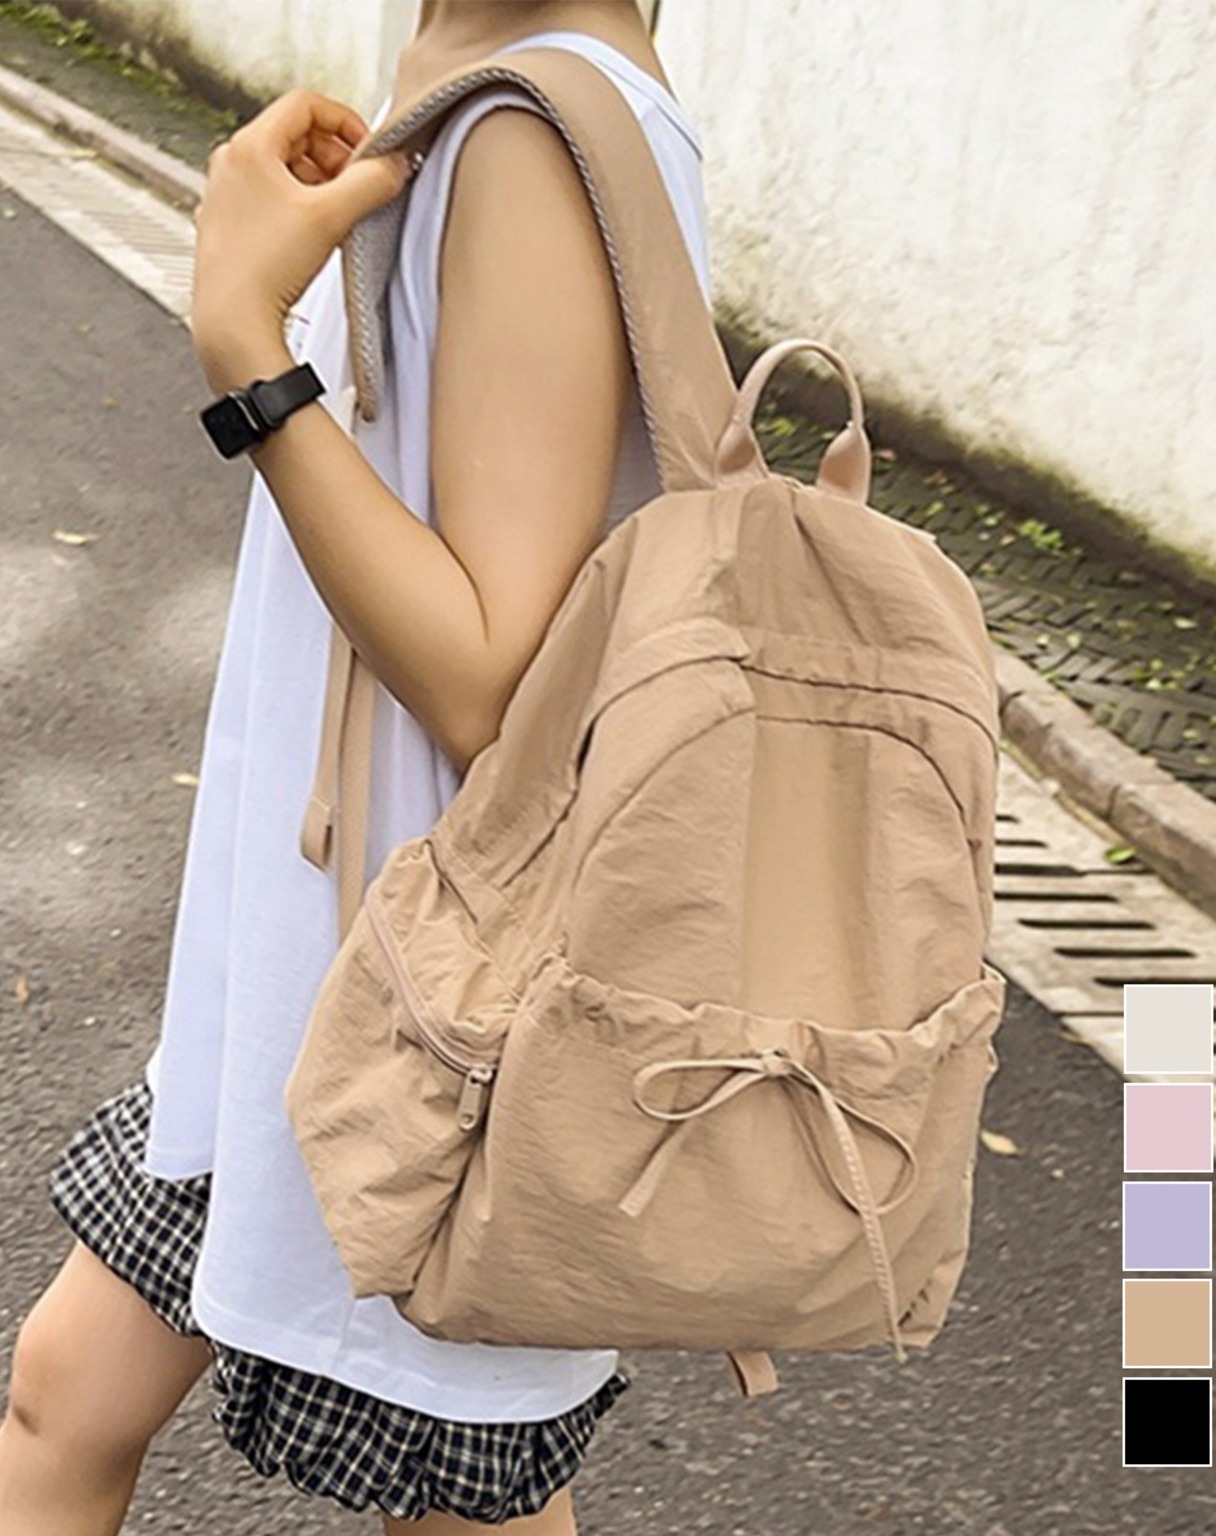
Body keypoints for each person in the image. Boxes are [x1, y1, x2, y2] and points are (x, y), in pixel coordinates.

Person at [0, 2, 710, 1531]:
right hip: (313, 975)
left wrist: (245, 344)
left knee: (454, 1502)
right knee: (67, 1395)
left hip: (427, 1005)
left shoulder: (530, 130)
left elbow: (486, 681)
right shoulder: (478, 81)